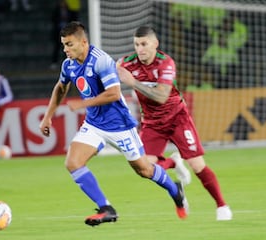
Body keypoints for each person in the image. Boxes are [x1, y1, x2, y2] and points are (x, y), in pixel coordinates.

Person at [39, 21, 188, 226]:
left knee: (144, 170)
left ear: (84, 42)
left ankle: (175, 190)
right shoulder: (69, 64)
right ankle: (106, 208)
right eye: (63, 45)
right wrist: (48, 116)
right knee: (72, 162)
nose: (65, 49)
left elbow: (114, 93)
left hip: (120, 126)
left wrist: (84, 103)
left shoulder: (102, 61)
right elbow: (60, 87)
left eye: (70, 44)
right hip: (94, 124)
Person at [117, 26, 233, 221]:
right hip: (152, 123)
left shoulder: (166, 63)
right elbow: (107, 78)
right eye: (137, 44)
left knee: (197, 165)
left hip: (177, 118)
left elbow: (162, 96)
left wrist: (134, 83)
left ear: (155, 44)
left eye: (144, 44)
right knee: (143, 168)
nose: (140, 49)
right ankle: (173, 162)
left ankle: (222, 206)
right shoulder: (125, 64)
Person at [50, 0, 80, 69]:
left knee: (67, 48)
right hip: (58, 32)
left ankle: (68, 62)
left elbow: (73, 20)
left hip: (67, 33)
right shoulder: (56, 11)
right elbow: (53, 20)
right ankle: (54, 62)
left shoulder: (69, 11)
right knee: (57, 47)